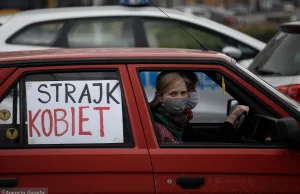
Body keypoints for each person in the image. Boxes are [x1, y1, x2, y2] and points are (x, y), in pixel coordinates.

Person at [150, 71, 249, 144]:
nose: (179, 97)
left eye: (183, 92)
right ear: (160, 98)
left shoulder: (178, 120)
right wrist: (233, 116)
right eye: (173, 94)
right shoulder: (159, 126)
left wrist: (233, 116)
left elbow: (210, 140)